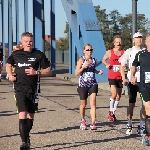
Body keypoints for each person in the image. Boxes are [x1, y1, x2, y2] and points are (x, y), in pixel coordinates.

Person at [6, 32, 51, 150]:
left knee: (31, 116)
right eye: (26, 41)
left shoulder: (38, 54)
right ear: (22, 42)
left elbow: (48, 71)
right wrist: (10, 75)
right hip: (19, 88)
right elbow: (8, 64)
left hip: (33, 89)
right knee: (23, 114)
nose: (28, 43)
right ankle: (24, 143)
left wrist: (36, 72)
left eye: (30, 41)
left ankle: (26, 135)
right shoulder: (16, 54)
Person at [119, 32, 146, 136]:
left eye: (141, 37)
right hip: (132, 81)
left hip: (144, 81)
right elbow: (122, 65)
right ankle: (129, 124)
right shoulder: (129, 51)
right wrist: (124, 78)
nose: (139, 39)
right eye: (137, 38)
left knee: (145, 104)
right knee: (132, 103)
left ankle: (141, 125)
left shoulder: (145, 51)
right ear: (133, 40)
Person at [75, 43, 103, 130]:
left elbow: (93, 69)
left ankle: (93, 122)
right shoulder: (81, 60)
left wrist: (98, 72)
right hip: (83, 84)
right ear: (84, 51)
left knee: (93, 103)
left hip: (92, 84)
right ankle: (83, 120)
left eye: (91, 50)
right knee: (83, 104)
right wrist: (83, 67)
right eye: (87, 50)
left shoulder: (94, 60)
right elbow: (76, 73)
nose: (89, 51)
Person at [131, 33, 150, 146]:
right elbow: (134, 65)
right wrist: (132, 76)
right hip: (144, 86)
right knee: (148, 107)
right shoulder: (141, 54)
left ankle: (146, 132)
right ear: (147, 42)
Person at [102, 35, 124, 121]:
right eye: (117, 42)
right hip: (112, 76)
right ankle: (110, 111)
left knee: (118, 96)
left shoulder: (123, 53)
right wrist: (106, 64)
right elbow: (103, 59)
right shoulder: (110, 52)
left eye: (120, 42)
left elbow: (126, 63)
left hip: (120, 76)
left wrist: (125, 67)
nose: (118, 43)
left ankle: (113, 113)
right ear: (114, 43)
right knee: (114, 93)